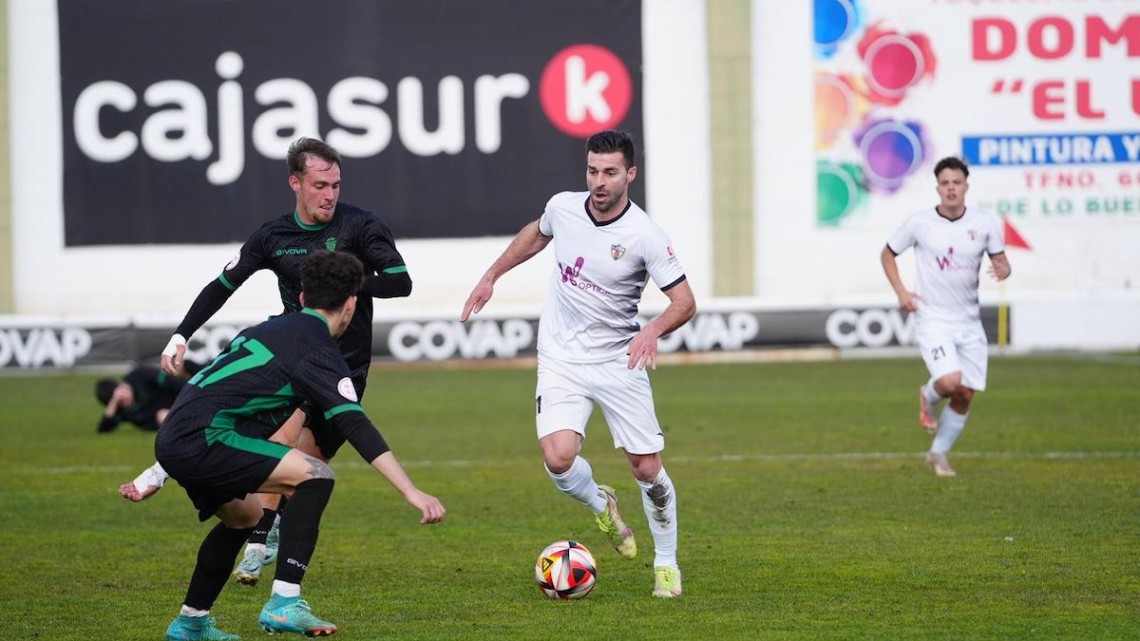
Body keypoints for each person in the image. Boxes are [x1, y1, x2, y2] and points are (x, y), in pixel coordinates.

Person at [120, 136, 413, 587]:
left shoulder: (360, 225)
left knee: (303, 466)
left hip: (345, 367)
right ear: (295, 182)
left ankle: (260, 533)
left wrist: (344, 283)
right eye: (320, 185)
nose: (330, 194)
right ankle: (254, 542)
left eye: (336, 184)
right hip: (292, 360)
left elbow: (400, 281)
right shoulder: (273, 235)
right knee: (277, 443)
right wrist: (182, 334)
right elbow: (224, 283)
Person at [156, 249, 445, 641]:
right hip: (207, 439)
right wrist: (410, 490)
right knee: (315, 475)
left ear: (304, 298)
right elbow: (354, 424)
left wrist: (157, 471)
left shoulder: (267, 329)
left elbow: (212, 393)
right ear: (350, 306)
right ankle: (284, 602)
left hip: (175, 437)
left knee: (244, 517)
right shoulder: (319, 349)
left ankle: (190, 623)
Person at [460, 130, 696, 598]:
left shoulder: (645, 236)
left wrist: (651, 330)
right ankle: (601, 504)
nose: (599, 182)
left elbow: (684, 302)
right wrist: (492, 275)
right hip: (561, 358)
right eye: (592, 171)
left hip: (618, 360)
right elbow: (537, 233)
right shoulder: (564, 207)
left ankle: (666, 562)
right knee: (558, 458)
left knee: (646, 468)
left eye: (610, 172)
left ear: (630, 173)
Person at [880, 156, 1012, 477]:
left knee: (965, 393)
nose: (951, 188)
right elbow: (887, 254)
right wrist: (902, 292)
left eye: (957, 182)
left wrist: (1004, 269)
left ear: (966, 186)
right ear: (937, 187)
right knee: (950, 382)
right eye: (945, 183)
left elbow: (1002, 262)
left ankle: (938, 454)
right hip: (933, 319)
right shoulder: (920, 223)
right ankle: (928, 394)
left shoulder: (982, 223)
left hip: (969, 323)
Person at [95, 363, 191, 433]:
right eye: (119, 402)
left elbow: (172, 383)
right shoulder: (123, 411)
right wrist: (114, 402)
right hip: (170, 415)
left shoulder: (139, 375)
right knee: (162, 415)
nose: (124, 403)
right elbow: (103, 430)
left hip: (182, 397)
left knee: (182, 365)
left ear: (121, 384)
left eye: (122, 398)